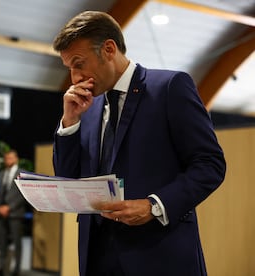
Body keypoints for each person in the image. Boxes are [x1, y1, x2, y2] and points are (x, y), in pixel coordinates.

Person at [52, 11, 226, 276]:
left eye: (79, 63)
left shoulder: (170, 87)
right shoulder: (85, 105)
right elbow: (68, 178)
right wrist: (69, 121)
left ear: (109, 49)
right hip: (96, 258)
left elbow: (210, 164)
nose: (74, 77)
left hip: (159, 255)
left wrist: (154, 205)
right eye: (69, 68)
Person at [0, 149, 26, 276]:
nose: (9, 161)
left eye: (11, 158)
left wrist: (9, 207)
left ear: (16, 159)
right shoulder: (1, 174)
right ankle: (1, 267)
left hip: (15, 213)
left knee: (17, 242)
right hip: (1, 213)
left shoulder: (22, 174)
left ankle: (16, 269)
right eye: (7, 158)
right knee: (2, 242)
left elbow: (22, 195)